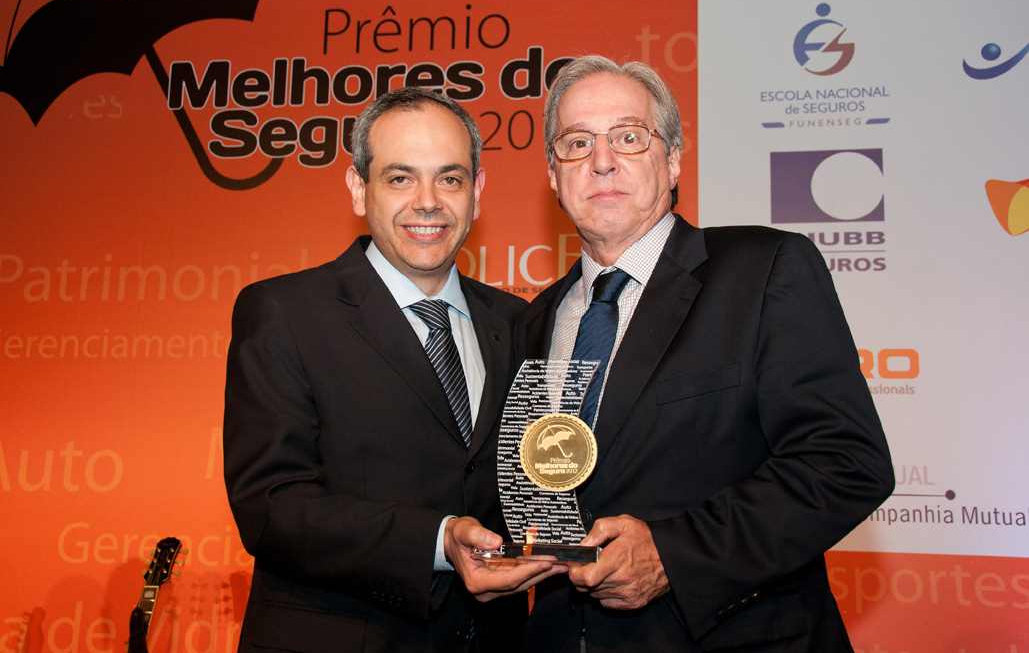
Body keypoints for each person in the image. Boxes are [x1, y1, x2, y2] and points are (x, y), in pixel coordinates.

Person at [517, 56, 894, 652]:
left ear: (672, 161)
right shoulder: (536, 320)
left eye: (629, 137)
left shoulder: (763, 272)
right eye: (577, 142)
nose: (602, 160)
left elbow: (846, 463)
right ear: (552, 175)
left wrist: (674, 554)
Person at [223, 87, 561, 652]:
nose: (428, 202)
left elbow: (532, 481)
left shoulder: (518, 322)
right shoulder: (285, 313)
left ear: (477, 193)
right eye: (401, 178)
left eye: (450, 179)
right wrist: (438, 540)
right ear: (359, 189)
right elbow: (271, 506)